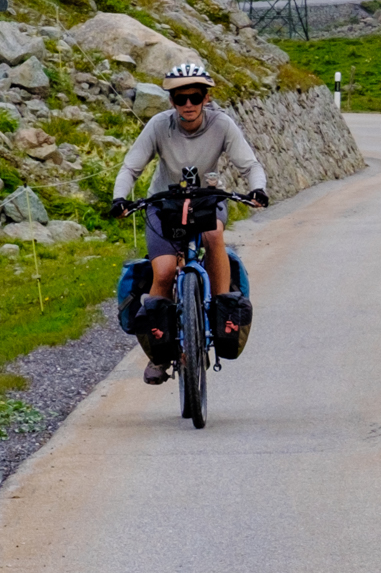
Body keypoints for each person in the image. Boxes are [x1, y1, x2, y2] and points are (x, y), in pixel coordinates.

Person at [110, 61, 268, 383]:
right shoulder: (158, 125)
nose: (188, 105)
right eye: (180, 99)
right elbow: (130, 168)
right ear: (171, 102)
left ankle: (222, 314)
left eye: (195, 97)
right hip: (162, 204)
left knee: (213, 237)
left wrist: (258, 189)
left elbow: (250, 165)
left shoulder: (222, 125)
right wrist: (120, 198)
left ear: (206, 98)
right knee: (165, 270)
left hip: (207, 201)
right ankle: (158, 352)